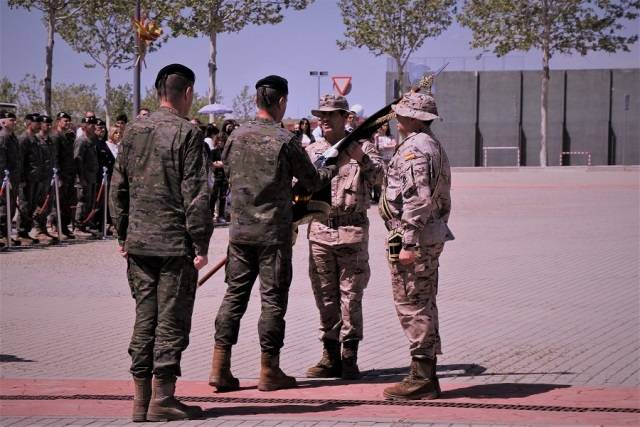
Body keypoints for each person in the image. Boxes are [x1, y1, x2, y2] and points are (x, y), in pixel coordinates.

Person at [209, 75, 343, 393]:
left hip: (240, 234)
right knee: (272, 301)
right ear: (281, 101)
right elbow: (312, 181)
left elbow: (229, 173)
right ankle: (269, 370)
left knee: (234, 297)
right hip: (273, 236)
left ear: (256, 100)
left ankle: (219, 367)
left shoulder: (235, 136)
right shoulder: (285, 141)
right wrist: (332, 166)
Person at [110, 63, 212, 422]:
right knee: (171, 320)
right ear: (187, 92)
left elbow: (118, 188)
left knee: (145, 317)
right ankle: (163, 398)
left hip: (139, 244)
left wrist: (122, 233)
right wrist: (201, 244)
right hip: (173, 246)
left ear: (158, 92)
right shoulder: (187, 133)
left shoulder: (133, 131)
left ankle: (140, 401)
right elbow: (196, 195)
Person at [379, 90, 453, 401]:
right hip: (428, 234)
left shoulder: (414, 150)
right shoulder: (430, 144)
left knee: (413, 304)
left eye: (402, 113)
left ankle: (421, 378)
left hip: (415, 238)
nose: (397, 117)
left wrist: (407, 242)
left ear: (413, 117)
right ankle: (426, 374)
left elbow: (417, 199)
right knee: (424, 301)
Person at [304, 95, 384, 380]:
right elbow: (297, 189)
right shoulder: (312, 151)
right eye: (321, 115)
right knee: (325, 297)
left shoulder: (363, 147)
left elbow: (382, 179)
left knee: (350, 298)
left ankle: (349, 356)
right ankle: (330, 355)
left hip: (352, 233)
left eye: (331, 114)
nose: (324, 119)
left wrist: (361, 158)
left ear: (345, 117)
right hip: (320, 233)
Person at [16, 113, 45, 245]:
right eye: (37, 123)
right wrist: (21, 178)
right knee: (25, 205)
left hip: (35, 178)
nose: (39, 125)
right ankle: (21, 233)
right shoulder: (24, 139)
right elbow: (20, 160)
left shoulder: (36, 139)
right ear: (29, 123)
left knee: (32, 205)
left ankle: (26, 232)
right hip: (26, 179)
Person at [49, 112, 76, 239]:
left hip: (68, 174)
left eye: (69, 121)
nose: (68, 123)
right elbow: (55, 157)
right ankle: (56, 226)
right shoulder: (56, 136)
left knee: (66, 202)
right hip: (60, 174)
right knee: (58, 201)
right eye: (65, 121)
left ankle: (64, 226)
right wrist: (57, 175)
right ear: (58, 121)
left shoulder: (68, 137)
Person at [73, 115, 99, 237]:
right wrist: (81, 178)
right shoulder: (81, 141)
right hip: (83, 178)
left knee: (89, 202)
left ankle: (85, 225)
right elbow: (77, 160)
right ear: (84, 126)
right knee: (82, 202)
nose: (93, 127)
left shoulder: (91, 141)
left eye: (94, 125)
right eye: (90, 125)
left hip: (91, 177)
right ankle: (78, 227)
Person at [0, 110, 21, 247]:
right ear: (3, 122)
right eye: (11, 120)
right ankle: (1, 235)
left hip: (13, 177)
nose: (14, 122)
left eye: (14, 120)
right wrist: (4, 177)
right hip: (4, 179)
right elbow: (1, 160)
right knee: (3, 207)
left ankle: (6, 234)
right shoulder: (2, 137)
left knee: (11, 207)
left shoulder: (12, 137)